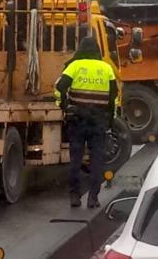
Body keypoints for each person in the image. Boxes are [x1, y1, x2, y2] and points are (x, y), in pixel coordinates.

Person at [54, 36, 117, 209]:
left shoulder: (74, 66)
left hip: (78, 120)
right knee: (97, 161)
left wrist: (65, 106)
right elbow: (113, 97)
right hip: (98, 121)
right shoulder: (107, 68)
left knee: (76, 159)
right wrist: (109, 122)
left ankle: (75, 196)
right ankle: (93, 198)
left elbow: (59, 87)